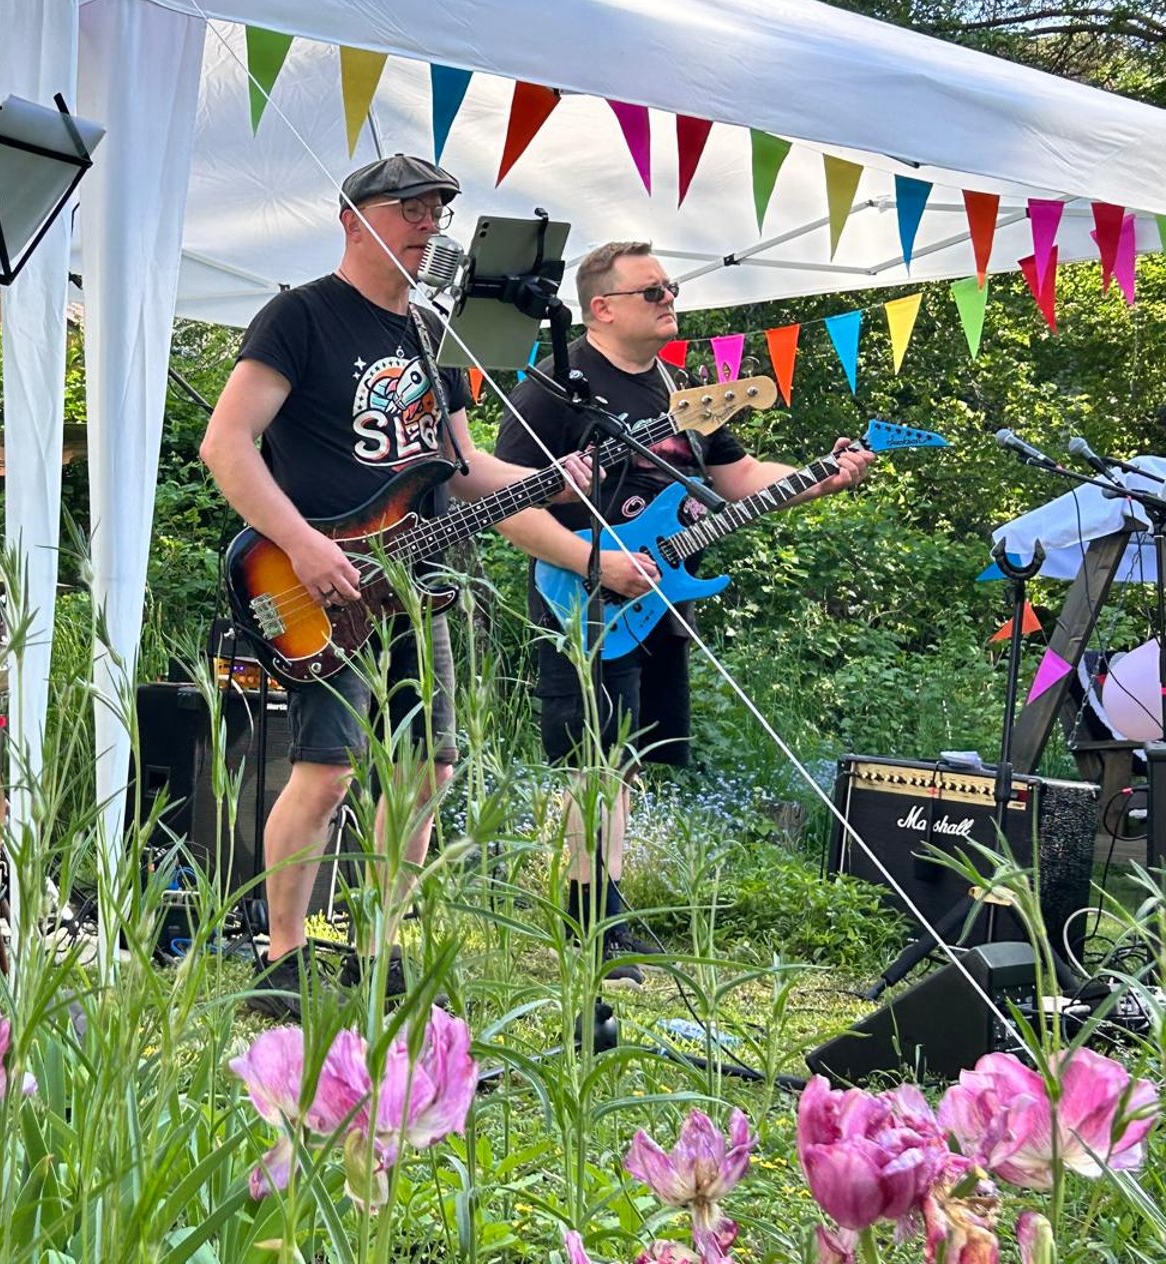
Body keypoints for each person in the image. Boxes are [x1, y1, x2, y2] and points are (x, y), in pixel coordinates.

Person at [200, 154, 585, 1018]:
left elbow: (464, 464)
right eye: (408, 207)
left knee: (426, 770)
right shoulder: (300, 316)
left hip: (425, 581)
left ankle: (376, 945)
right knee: (326, 773)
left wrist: (554, 480)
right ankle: (283, 956)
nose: (428, 222)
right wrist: (301, 544)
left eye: (437, 209)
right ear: (352, 217)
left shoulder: (433, 332)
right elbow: (226, 444)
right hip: (325, 582)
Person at [493, 240, 871, 982]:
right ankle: (591, 922)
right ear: (602, 308)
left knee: (629, 761)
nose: (670, 299)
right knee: (596, 761)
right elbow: (505, 503)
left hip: (660, 595)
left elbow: (740, 476)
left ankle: (605, 904)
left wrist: (822, 477)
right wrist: (595, 562)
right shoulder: (553, 388)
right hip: (583, 595)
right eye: (653, 291)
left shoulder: (682, 388)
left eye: (670, 288)